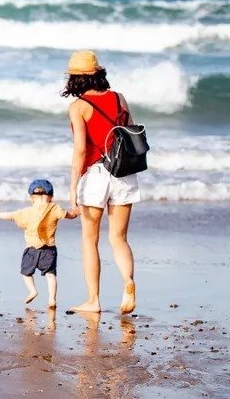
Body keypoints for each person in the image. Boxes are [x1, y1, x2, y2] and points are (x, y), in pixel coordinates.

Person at [62, 50, 139, 315]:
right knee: (118, 237)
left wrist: (72, 187)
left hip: (95, 176)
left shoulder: (78, 107)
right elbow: (130, 132)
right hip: (123, 173)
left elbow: (81, 151)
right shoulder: (119, 98)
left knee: (89, 240)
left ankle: (93, 300)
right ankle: (128, 281)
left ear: (75, 79)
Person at [0, 179, 79, 308]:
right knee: (51, 275)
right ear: (51, 197)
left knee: (26, 273)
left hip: (31, 249)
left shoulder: (26, 212)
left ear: (31, 198)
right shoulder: (56, 209)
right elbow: (69, 215)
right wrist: (76, 212)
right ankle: (52, 299)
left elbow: (11, 215)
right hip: (49, 249)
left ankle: (32, 291)